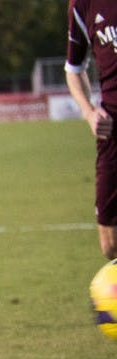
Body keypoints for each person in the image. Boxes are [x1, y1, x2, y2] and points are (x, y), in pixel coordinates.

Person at [65, 0, 117, 260]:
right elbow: (74, 70)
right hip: (112, 131)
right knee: (110, 245)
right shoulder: (82, 5)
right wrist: (88, 113)